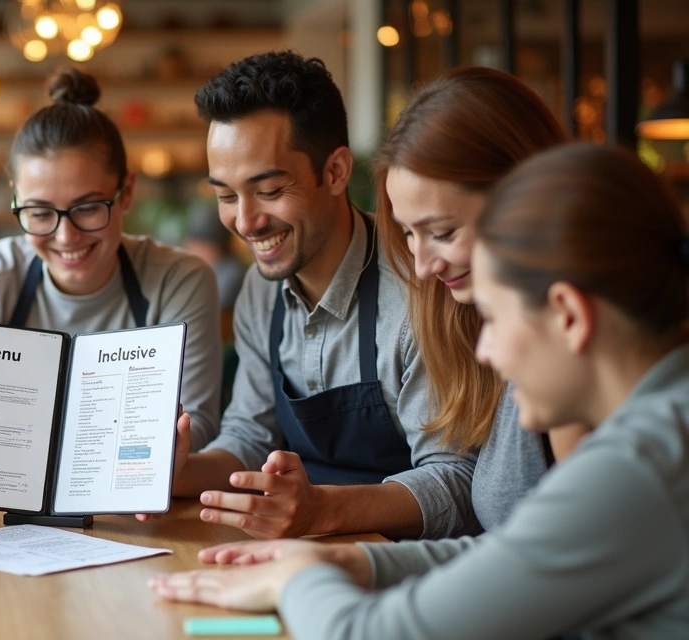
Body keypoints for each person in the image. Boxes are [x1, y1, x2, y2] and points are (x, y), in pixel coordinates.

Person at [149, 143, 689, 640]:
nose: (485, 355)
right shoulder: (660, 426)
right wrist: (353, 563)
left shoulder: (636, 467)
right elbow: (509, 556)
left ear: (569, 315)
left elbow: (375, 634)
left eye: (494, 320)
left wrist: (296, 581)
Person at [167, 51, 475, 540]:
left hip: (407, 567)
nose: (244, 222)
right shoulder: (259, 290)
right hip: (305, 549)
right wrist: (177, 475)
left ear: (335, 172)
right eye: (226, 196)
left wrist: (321, 510)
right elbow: (250, 436)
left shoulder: (421, 287)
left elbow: (457, 480)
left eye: (268, 190)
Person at [0, 67, 220, 449]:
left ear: (126, 192)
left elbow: (191, 429)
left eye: (88, 208)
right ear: (15, 200)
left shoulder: (179, 280)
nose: (65, 236)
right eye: (40, 213)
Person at [376, 66, 585, 531]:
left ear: (523, 195)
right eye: (409, 233)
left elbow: (548, 572)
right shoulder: (471, 318)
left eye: (443, 233)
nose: (423, 266)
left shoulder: (571, 355)